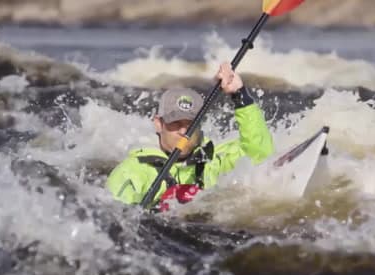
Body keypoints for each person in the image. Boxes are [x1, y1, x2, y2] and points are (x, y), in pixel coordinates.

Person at [106, 62, 274, 207]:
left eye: (191, 124)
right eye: (176, 123)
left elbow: (260, 155)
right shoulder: (130, 173)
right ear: (158, 124)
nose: (183, 131)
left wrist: (239, 95)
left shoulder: (213, 160)